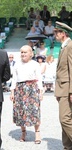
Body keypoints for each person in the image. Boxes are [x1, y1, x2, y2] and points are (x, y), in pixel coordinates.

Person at [10, 45, 43, 144]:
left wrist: (41, 92)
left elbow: (39, 78)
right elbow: (14, 79)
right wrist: (12, 92)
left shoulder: (35, 64)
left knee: (34, 111)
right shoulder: (17, 65)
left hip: (32, 89)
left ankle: (37, 133)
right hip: (20, 90)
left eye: (25, 52)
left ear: (31, 54)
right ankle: (23, 132)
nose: (23, 54)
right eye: (22, 52)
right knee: (21, 112)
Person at [54, 21, 72, 149]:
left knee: (64, 119)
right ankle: (67, 147)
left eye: (57, 32)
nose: (55, 34)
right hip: (63, 89)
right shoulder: (64, 46)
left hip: (67, 89)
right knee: (66, 120)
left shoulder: (70, 46)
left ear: (63, 33)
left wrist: (71, 91)